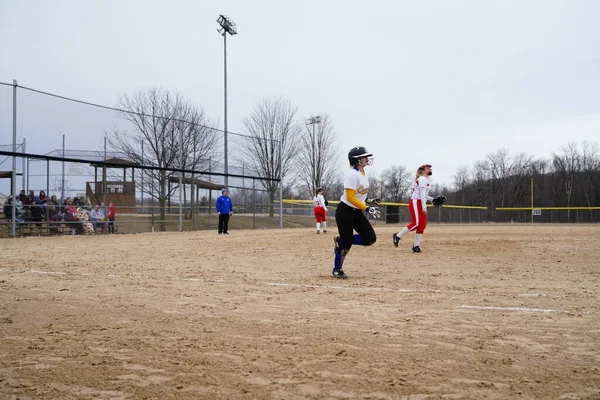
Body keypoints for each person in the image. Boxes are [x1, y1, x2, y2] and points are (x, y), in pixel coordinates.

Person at [332, 146, 382, 279]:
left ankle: (341, 239)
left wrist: (369, 200)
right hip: (345, 212)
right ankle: (337, 269)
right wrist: (366, 208)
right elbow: (350, 197)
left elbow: (358, 195)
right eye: (364, 157)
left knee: (370, 239)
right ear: (357, 160)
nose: (367, 158)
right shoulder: (352, 175)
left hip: (356, 211)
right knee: (346, 245)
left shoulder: (363, 174)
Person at [392, 164, 446, 253]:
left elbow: (424, 195)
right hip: (416, 202)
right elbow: (421, 194)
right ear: (422, 170)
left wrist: (433, 199)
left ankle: (416, 246)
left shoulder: (426, 179)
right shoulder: (422, 179)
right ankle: (397, 236)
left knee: (422, 225)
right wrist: (424, 207)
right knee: (416, 223)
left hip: (420, 202)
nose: (429, 169)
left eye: (430, 168)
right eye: (427, 168)